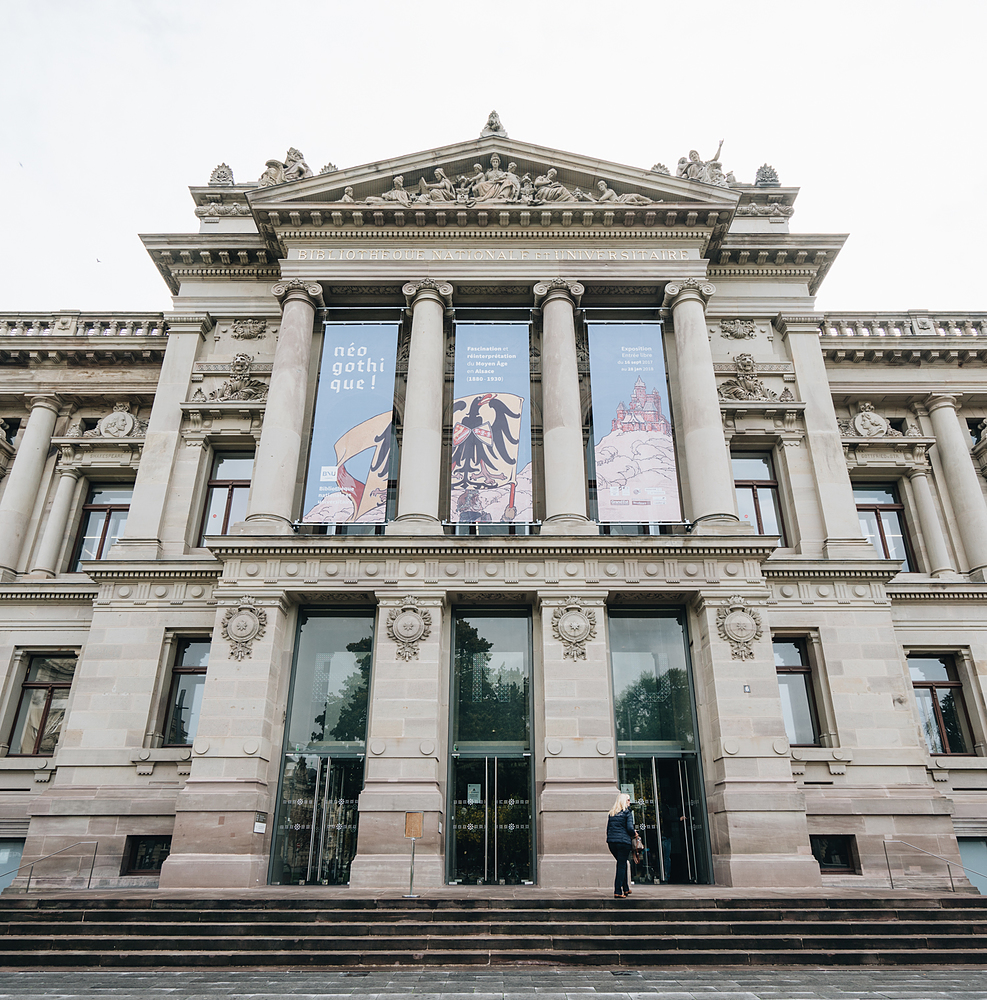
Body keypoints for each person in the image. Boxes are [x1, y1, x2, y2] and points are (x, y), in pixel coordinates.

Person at [606, 791, 636, 898]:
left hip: (612, 843)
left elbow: (608, 829)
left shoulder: (612, 813)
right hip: (623, 842)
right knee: (621, 866)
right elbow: (630, 828)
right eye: (628, 800)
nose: (629, 802)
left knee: (622, 863)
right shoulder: (627, 813)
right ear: (624, 801)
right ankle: (618, 890)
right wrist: (634, 833)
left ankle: (626, 888)